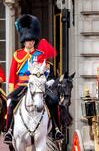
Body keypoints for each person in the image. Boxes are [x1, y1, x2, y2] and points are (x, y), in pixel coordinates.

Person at [4, 14, 63, 144]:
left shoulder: (40, 55)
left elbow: (46, 71)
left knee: (53, 101)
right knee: (11, 105)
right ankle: (8, 131)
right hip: (22, 85)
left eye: (31, 40)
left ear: (34, 40)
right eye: (27, 40)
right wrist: (11, 90)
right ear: (24, 41)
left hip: (38, 85)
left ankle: (57, 129)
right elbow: (12, 75)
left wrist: (47, 79)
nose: (30, 42)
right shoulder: (17, 55)